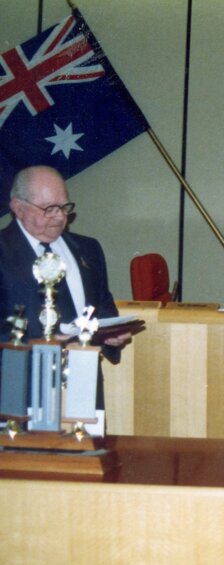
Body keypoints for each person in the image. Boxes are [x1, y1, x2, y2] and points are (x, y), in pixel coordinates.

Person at [0, 165, 129, 410]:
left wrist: (112, 334)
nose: (60, 217)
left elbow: (102, 306)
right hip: (19, 390)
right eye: (49, 209)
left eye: (64, 207)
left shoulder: (88, 249)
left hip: (84, 384)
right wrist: (45, 345)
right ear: (18, 207)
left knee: (87, 446)